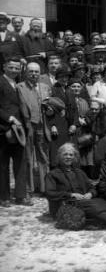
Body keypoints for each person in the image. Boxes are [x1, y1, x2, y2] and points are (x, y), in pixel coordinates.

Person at [45, 143, 106, 231]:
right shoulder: (53, 174)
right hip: (65, 205)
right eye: (65, 154)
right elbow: (50, 193)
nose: (68, 157)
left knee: (104, 202)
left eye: (71, 155)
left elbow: (92, 187)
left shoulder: (79, 172)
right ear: (59, 156)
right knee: (93, 205)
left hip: (83, 202)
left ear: (74, 157)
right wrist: (71, 194)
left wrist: (90, 193)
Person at [17, 62, 52, 194]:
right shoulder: (20, 87)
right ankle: (29, 187)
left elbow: (51, 106)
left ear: (40, 72)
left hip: (43, 126)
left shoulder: (45, 87)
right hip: (28, 125)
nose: (34, 74)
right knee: (28, 156)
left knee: (43, 156)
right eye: (31, 71)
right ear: (26, 72)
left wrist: (50, 111)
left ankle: (44, 187)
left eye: (36, 71)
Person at [0, 56, 29, 206]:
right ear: (4, 67)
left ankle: (20, 195)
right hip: (3, 129)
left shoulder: (18, 84)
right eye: (11, 67)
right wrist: (10, 118)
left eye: (17, 68)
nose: (14, 70)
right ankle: (4, 197)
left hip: (19, 130)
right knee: (3, 165)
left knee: (20, 163)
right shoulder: (1, 82)